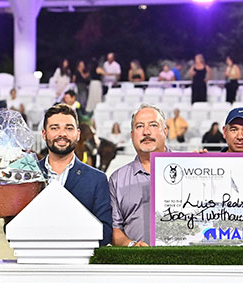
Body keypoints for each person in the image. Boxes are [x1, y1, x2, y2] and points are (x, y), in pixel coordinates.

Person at [37, 104, 112, 246]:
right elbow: (11, 227)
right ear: (44, 134)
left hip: (81, 264)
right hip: (34, 263)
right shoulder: (28, 175)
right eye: (54, 128)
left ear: (78, 134)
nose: (62, 134)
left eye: (69, 128)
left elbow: (106, 232)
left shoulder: (97, 179)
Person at [109, 104, 170, 247]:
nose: (146, 132)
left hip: (184, 263)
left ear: (165, 131)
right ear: (132, 135)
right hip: (137, 265)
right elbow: (114, 229)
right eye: (139, 126)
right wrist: (131, 245)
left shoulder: (189, 166)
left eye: (153, 125)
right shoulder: (117, 179)